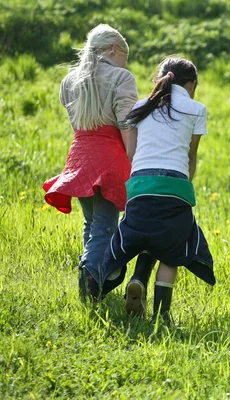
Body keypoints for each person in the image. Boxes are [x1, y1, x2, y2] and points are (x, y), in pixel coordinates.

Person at [100, 56, 215, 323]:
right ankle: (161, 317)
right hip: (175, 184)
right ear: (192, 83)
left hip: (140, 185)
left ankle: (138, 278)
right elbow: (190, 156)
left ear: (160, 79)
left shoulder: (141, 107)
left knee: (144, 233)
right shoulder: (197, 109)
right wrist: (183, 185)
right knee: (171, 248)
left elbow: (131, 152)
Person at [43, 24, 153, 300]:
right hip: (110, 156)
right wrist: (134, 160)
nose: (124, 64)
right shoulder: (121, 78)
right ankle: (91, 281)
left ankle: (92, 279)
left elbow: (75, 123)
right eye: (124, 58)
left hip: (79, 155)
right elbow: (126, 123)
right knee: (104, 225)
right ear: (114, 49)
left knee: (91, 222)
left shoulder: (69, 80)